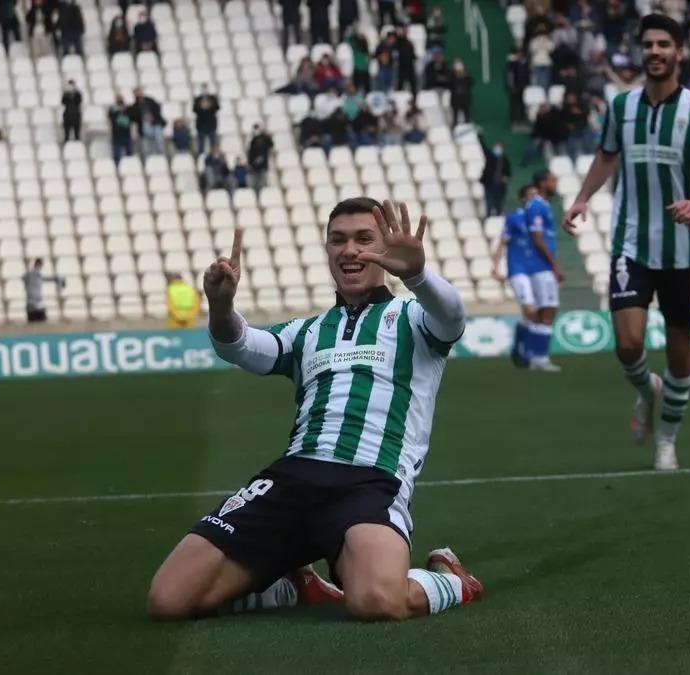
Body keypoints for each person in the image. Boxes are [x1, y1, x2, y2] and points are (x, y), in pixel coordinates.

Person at [146, 199, 484, 622]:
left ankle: (452, 579)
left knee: (376, 601)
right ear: (327, 250)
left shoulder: (414, 318)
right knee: (168, 600)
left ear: (384, 248)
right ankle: (295, 587)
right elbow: (240, 346)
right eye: (338, 240)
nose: (350, 250)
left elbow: (452, 317)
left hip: (370, 482)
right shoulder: (306, 330)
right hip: (293, 479)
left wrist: (416, 274)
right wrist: (220, 306)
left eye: (364, 239)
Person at [562, 14, 690, 471]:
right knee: (627, 345)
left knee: (680, 352)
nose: (656, 52)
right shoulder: (621, 107)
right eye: (649, 45)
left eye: (664, 44)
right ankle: (647, 392)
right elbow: (606, 158)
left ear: (678, 52)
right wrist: (582, 199)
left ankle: (667, 438)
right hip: (630, 243)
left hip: (682, 250)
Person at [492, 175, 564, 371]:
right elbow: (503, 242)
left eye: (535, 193)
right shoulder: (515, 217)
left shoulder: (536, 216)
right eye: (529, 195)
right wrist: (495, 266)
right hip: (518, 269)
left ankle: (527, 350)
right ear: (523, 198)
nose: (533, 197)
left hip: (533, 268)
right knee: (533, 311)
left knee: (536, 313)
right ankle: (530, 352)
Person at [23, 258, 64, 322]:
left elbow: (24, 279)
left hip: (29, 305)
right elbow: (52, 277)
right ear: (39, 264)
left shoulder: (28, 274)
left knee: (31, 325)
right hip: (37, 304)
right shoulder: (38, 274)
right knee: (42, 323)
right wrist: (60, 284)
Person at [129, 88, 165, 156]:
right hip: (144, 125)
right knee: (147, 144)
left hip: (155, 123)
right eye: (136, 93)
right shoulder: (135, 106)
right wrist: (143, 118)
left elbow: (157, 109)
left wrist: (152, 117)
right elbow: (133, 117)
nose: (138, 94)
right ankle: (150, 157)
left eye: (139, 92)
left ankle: (160, 155)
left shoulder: (150, 100)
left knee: (159, 141)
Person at [480, 140, 510, 218]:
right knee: (489, 201)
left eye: (499, 146)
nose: (498, 148)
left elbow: (508, 172)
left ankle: (498, 215)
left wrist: (506, 177)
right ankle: (488, 217)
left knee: (498, 203)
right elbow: (484, 149)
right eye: (497, 146)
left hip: (500, 186)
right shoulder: (490, 156)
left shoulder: (504, 159)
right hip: (489, 183)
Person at [193, 85, 220, 156]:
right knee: (201, 144)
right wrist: (201, 106)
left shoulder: (212, 98)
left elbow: (217, 108)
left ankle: (213, 157)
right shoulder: (198, 99)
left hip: (211, 124)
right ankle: (200, 157)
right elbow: (194, 109)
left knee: (213, 143)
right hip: (201, 124)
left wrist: (209, 105)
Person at [108, 93, 134, 164]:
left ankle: (130, 166)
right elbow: (111, 118)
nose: (119, 99)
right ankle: (117, 167)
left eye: (120, 98)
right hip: (117, 134)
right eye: (118, 98)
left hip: (126, 133)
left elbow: (132, 117)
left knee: (129, 153)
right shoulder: (113, 109)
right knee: (117, 154)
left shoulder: (127, 108)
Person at [247, 125, 273, 189]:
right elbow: (250, 153)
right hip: (255, 166)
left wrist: (265, 135)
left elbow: (271, 145)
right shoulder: (253, 141)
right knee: (256, 184)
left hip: (263, 165)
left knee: (264, 184)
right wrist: (251, 163)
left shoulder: (265, 139)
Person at [448, 60, 472, 128]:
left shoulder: (466, 76)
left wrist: (464, 76)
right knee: (455, 118)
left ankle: (467, 126)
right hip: (455, 99)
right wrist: (456, 76)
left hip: (465, 99)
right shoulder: (452, 76)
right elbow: (450, 85)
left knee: (467, 116)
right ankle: (455, 127)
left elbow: (470, 84)